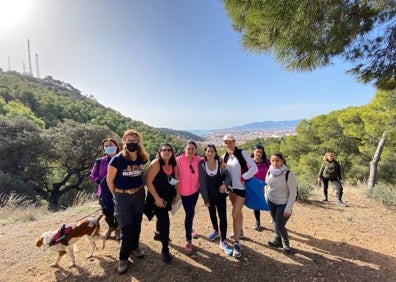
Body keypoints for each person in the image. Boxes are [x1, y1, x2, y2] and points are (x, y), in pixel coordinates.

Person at [107, 129, 149, 274]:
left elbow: (141, 173)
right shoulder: (117, 160)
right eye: (129, 141)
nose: (132, 143)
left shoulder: (142, 157)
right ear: (124, 142)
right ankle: (123, 258)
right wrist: (117, 196)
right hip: (122, 197)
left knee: (137, 223)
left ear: (138, 142)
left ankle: (135, 247)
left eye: (134, 141)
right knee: (126, 228)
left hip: (138, 194)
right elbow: (109, 180)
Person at [222, 134, 258, 258]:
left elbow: (254, 167)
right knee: (238, 213)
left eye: (230, 142)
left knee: (235, 214)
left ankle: (236, 243)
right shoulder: (225, 156)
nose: (228, 144)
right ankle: (240, 231)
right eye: (226, 143)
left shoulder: (242, 153)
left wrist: (244, 176)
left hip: (242, 188)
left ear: (234, 142)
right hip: (232, 189)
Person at [145, 144, 179, 263]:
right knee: (165, 221)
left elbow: (176, 179)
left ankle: (158, 234)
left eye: (169, 150)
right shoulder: (156, 164)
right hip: (156, 198)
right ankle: (165, 249)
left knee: (162, 217)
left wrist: (177, 194)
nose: (166, 152)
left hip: (168, 197)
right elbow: (148, 182)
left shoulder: (173, 163)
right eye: (164, 150)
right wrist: (157, 198)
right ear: (160, 152)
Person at [199, 144, 233, 255]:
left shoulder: (220, 163)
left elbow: (228, 177)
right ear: (205, 152)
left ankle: (223, 240)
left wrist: (225, 185)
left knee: (223, 217)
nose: (210, 153)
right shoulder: (202, 165)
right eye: (208, 151)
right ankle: (216, 231)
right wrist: (205, 199)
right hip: (209, 195)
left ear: (215, 152)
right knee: (212, 213)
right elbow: (202, 184)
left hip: (220, 194)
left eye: (212, 151)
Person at [265, 152, 297, 254]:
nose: (275, 163)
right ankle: (277, 240)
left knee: (280, 225)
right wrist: (266, 197)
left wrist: (288, 208)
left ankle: (285, 242)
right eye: (273, 160)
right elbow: (267, 185)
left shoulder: (288, 174)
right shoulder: (269, 171)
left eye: (277, 160)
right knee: (275, 222)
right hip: (271, 201)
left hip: (283, 203)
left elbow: (293, 192)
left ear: (282, 161)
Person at [89, 137, 121, 239]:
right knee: (107, 211)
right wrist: (100, 181)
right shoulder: (99, 162)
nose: (109, 147)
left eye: (111, 145)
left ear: (116, 146)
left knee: (119, 210)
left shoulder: (122, 159)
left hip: (120, 190)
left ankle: (118, 229)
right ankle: (112, 226)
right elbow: (93, 175)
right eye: (106, 146)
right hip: (104, 192)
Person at [176, 140, 201, 254]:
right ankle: (188, 240)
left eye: (193, 149)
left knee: (191, 211)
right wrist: (175, 192)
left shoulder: (198, 160)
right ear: (184, 149)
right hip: (184, 193)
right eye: (188, 148)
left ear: (195, 150)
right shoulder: (178, 160)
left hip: (195, 191)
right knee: (190, 213)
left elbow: (210, 160)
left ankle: (190, 229)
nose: (190, 150)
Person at [250, 144, 270, 231]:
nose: (259, 153)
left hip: (266, 187)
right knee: (256, 205)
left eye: (261, 152)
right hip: (254, 187)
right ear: (253, 152)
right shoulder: (249, 162)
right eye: (257, 151)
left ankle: (275, 220)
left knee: (270, 203)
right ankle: (257, 222)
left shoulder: (266, 162)